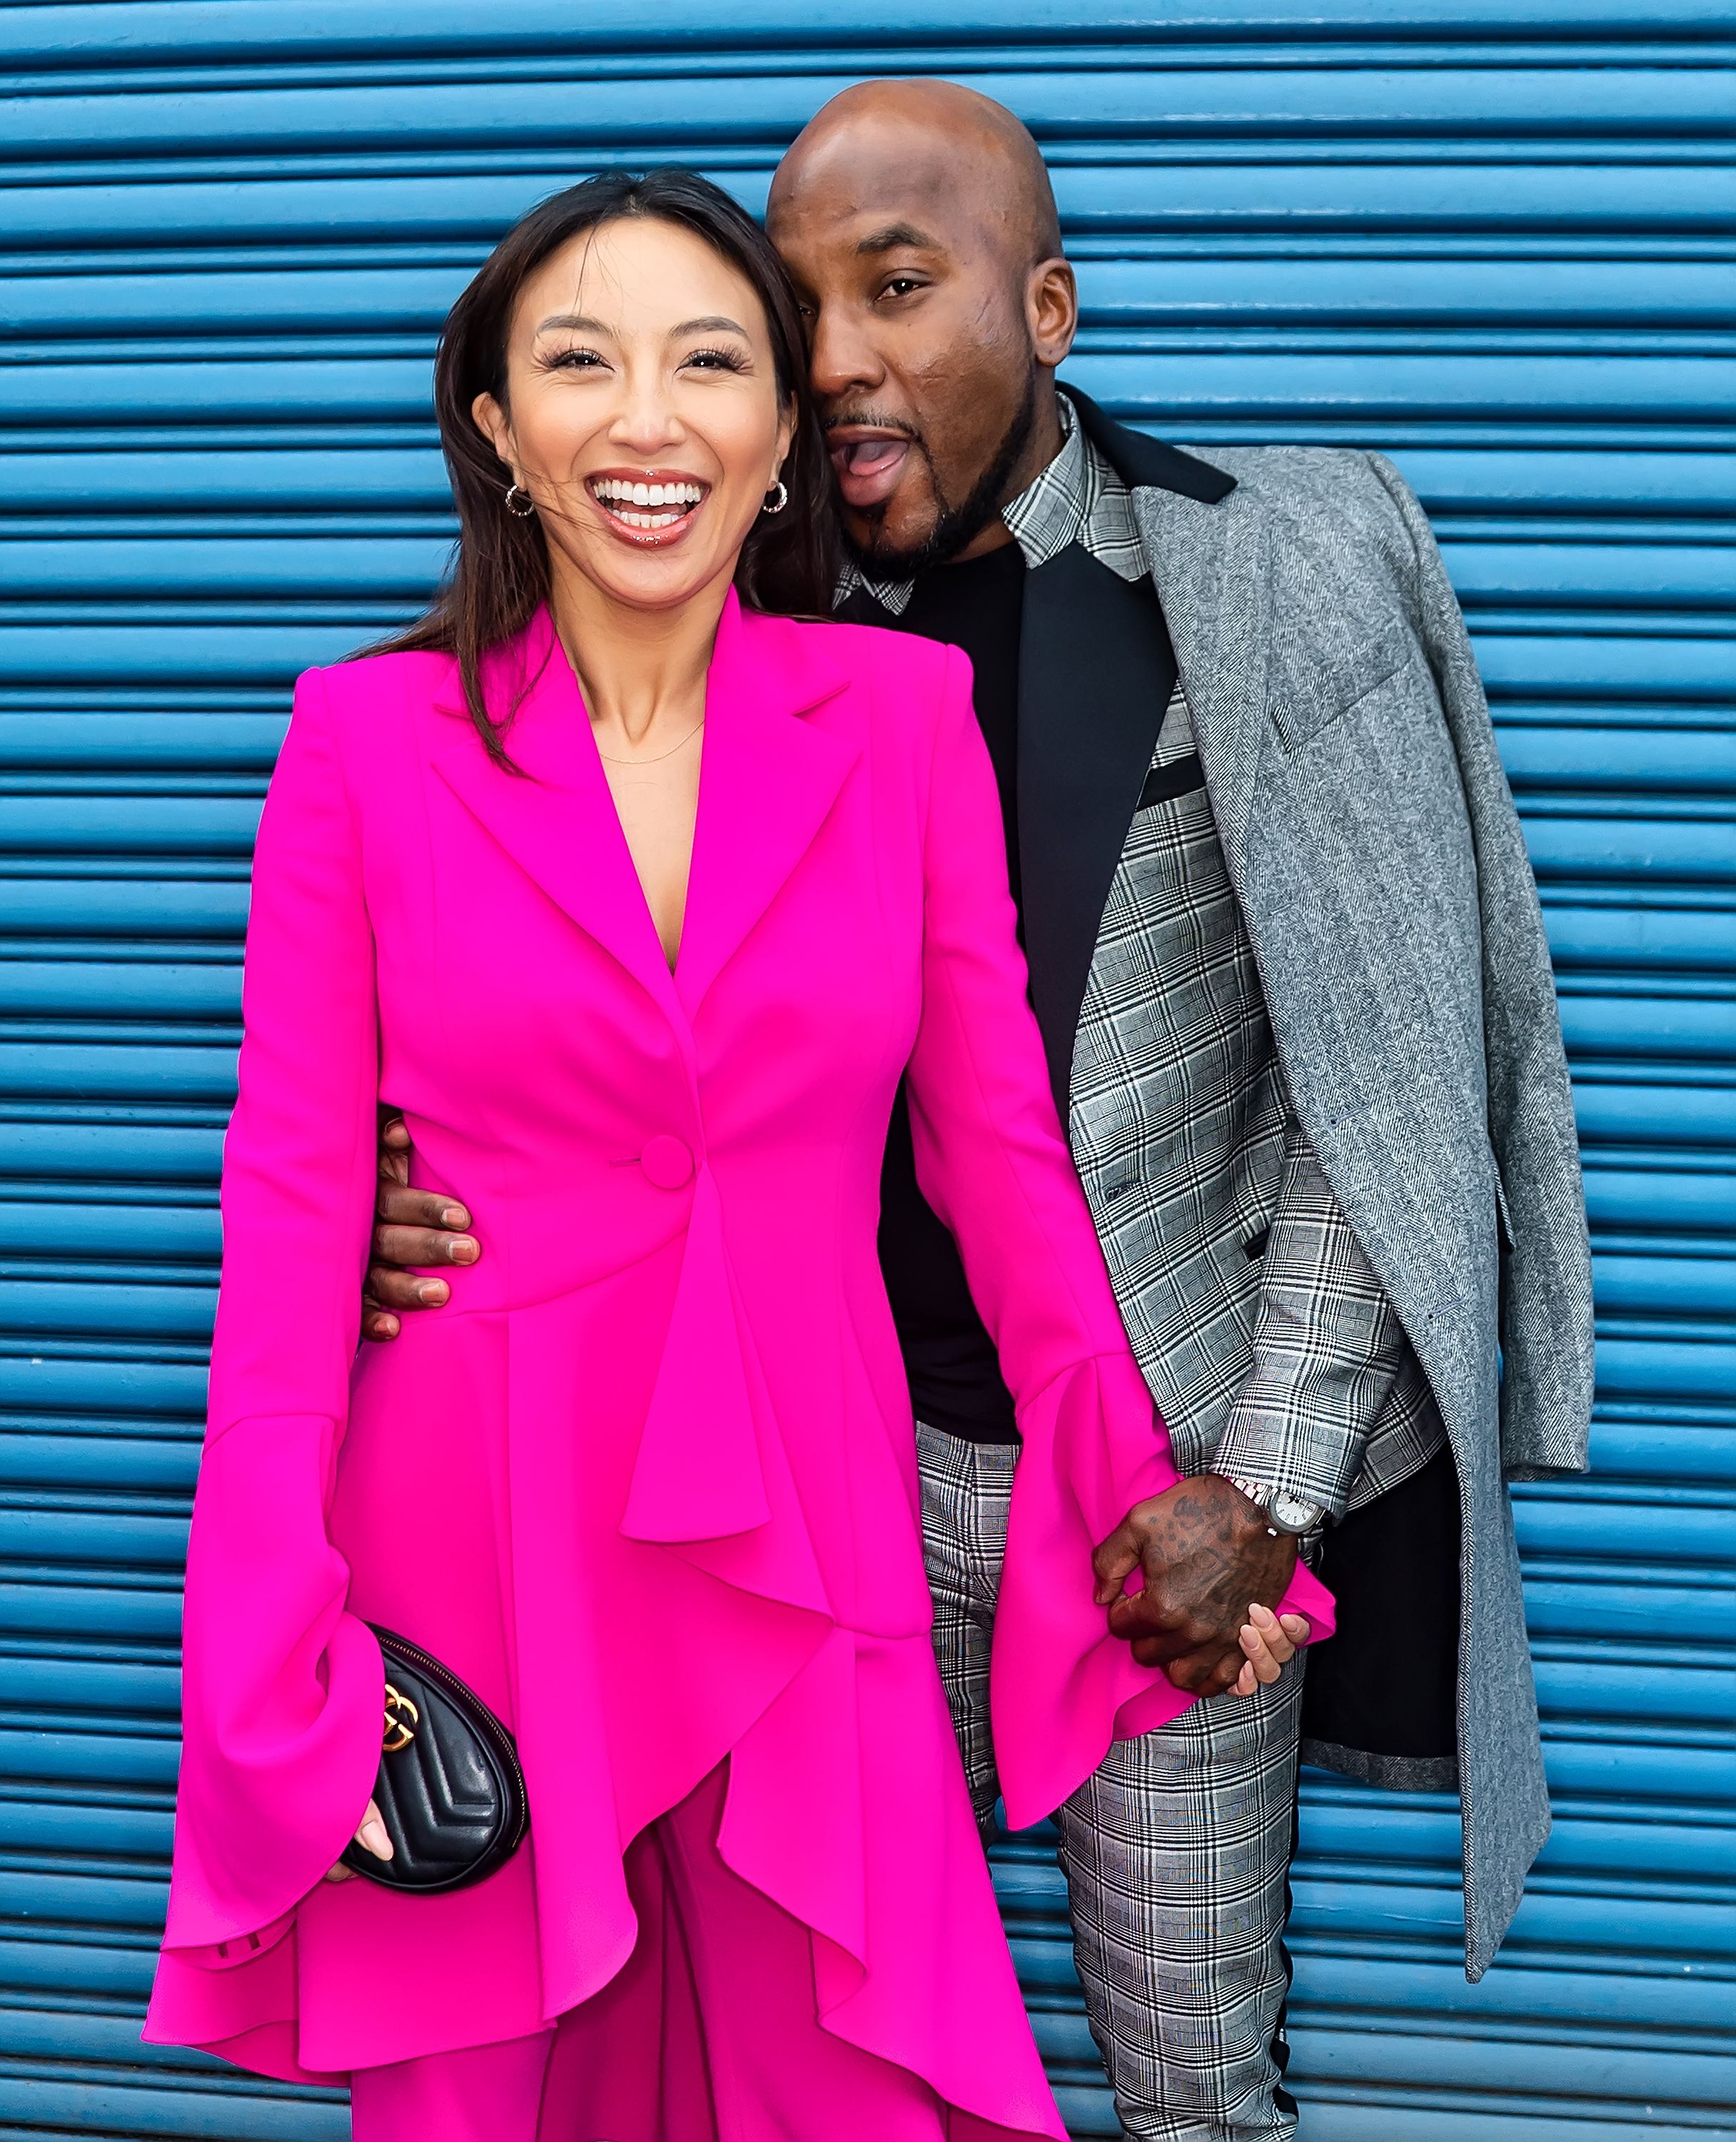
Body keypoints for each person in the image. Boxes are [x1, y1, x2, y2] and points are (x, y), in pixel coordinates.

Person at [364, 84, 1596, 2142]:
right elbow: (561, 997)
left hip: (1158, 1493)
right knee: (806, 2058)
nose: (835, 353)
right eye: (800, 302)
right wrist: (431, 1194)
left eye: (901, 287)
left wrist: (1267, 1492)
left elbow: (1381, 1091)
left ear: (1049, 306)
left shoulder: (1262, 575)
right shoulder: (719, 629)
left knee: (1196, 2082)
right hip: (803, 1497)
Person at [143, 169, 1330, 2142]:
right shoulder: (364, 744)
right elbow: (285, 1231)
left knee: (842, 2077)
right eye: (580, 363)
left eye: (711, 362)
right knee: (494, 2084)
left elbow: (1000, 1155)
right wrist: (275, 1665)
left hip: (808, 1503)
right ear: (497, 426)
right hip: (478, 1523)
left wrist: (1131, 1503)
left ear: (783, 429)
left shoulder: (896, 714)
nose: (649, 420)